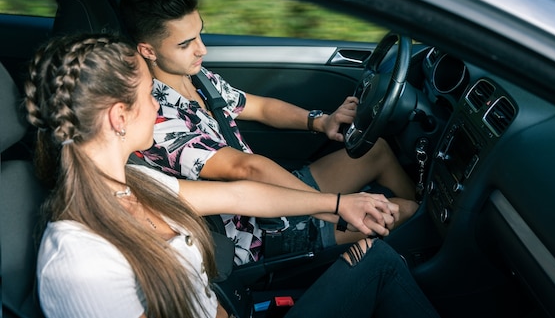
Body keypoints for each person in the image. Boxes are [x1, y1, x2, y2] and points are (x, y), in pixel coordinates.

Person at [26, 33, 440, 318]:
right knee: (380, 264)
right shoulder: (79, 262)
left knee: (375, 256)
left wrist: (338, 205)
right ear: (119, 117)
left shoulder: (133, 185)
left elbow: (242, 195)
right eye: (150, 96)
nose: (158, 106)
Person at [119, 0, 419, 264]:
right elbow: (245, 168)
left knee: (375, 150)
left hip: (273, 192)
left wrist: (320, 121)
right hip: (258, 233)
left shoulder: (194, 76)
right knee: (405, 211)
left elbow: (260, 107)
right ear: (148, 50)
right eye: (185, 44)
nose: (202, 49)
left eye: (199, 33)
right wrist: (337, 208)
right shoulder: (156, 118)